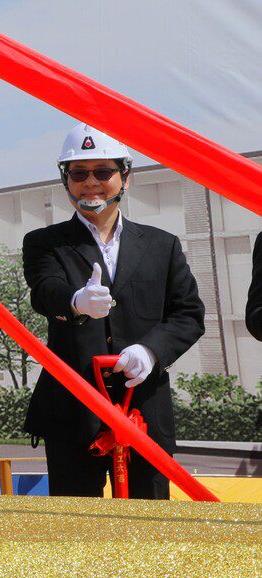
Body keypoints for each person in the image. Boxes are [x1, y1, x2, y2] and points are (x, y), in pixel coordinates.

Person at [23, 123, 203, 499]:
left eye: (103, 172)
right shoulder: (44, 243)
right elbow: (45, 290)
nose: (91, 182)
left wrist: (150, 350)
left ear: (125, 176)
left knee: (150, 530)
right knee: (78, 534)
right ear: (66, 180)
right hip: (74, 410)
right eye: (79, 173)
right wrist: (76, 302)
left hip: (144, 408)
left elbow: (188, 314)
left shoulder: (161, 245)